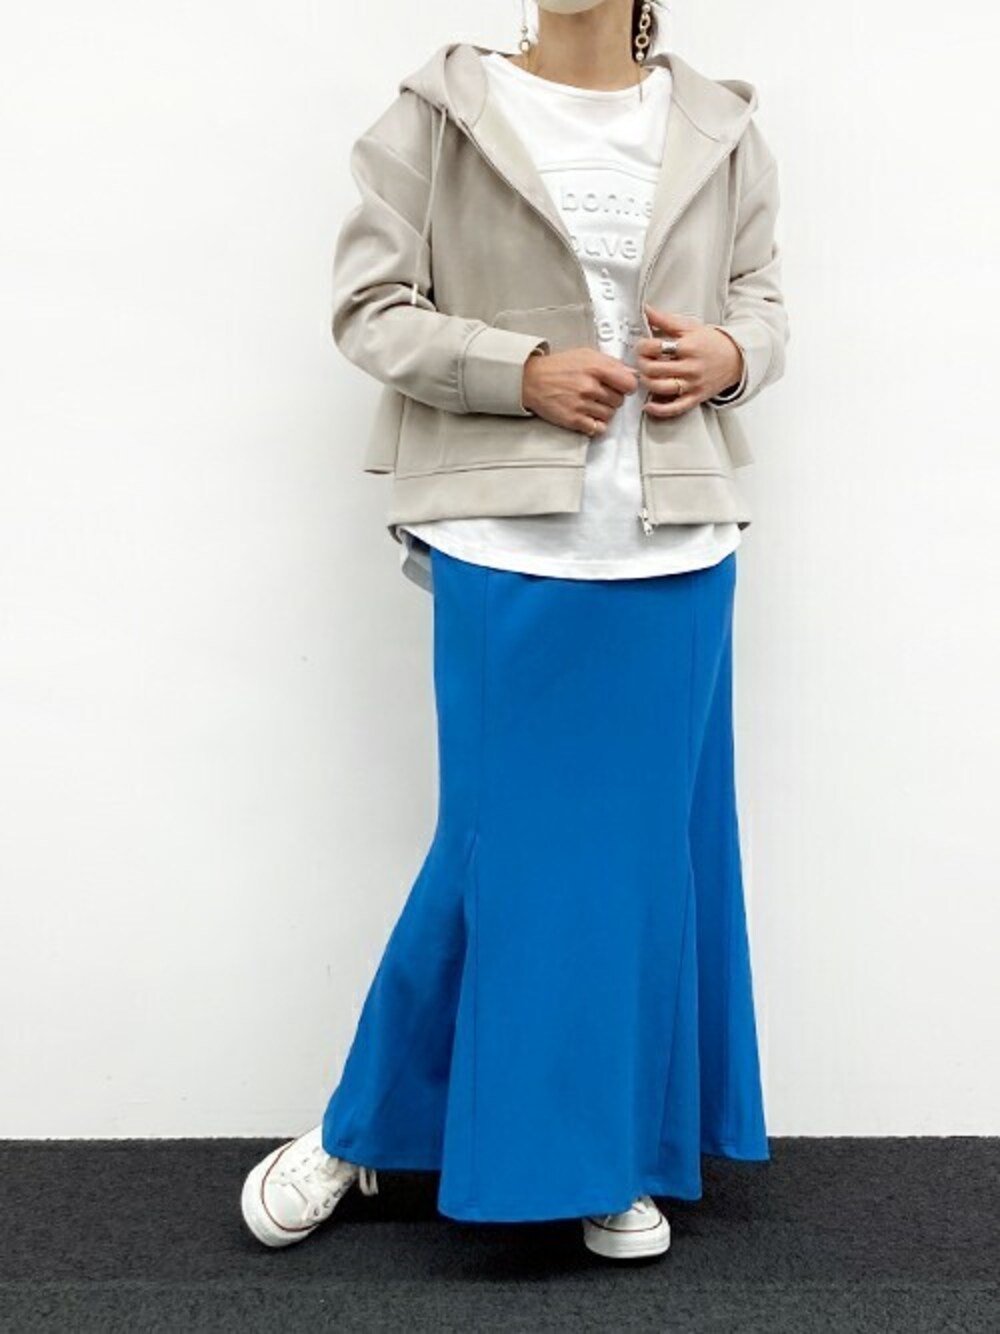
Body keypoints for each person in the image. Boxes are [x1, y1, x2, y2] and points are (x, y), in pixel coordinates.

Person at [241, 0, 788, 1262]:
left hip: (677, 544)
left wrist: (729, 354)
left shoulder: (722, 125)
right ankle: (361, 1124)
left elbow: (763, 300)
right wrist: (518, 368)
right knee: (496, 852)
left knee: (643, 867)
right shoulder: (437, 113)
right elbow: (370, 308)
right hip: (506, 539)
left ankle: (612, 1153)